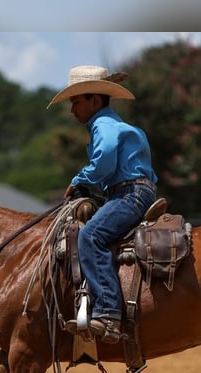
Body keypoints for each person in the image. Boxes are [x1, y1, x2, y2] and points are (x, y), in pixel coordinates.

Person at [48, 65, 158, 344]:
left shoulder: (103, 125)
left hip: (129, 194)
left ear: (94, 100)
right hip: (135, 191)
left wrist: (79, 179)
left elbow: (105, 160)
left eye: (76, 101)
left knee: (91, 235)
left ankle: (108, 312)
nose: (72, 109)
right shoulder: (116, 124)